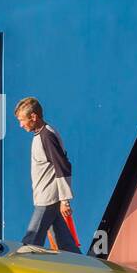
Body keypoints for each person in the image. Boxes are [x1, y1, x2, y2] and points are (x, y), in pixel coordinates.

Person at [15, 97, 80, 253]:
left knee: (30, 244)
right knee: (66, 245)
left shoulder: (47, 136)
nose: (20, 125)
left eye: (22, 120)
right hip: (47, 197)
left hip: (47, 200)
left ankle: (22, 272)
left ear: (34, 117)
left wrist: (65, 200)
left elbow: (62, 166)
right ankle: (84, 268)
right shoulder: (41, 135)